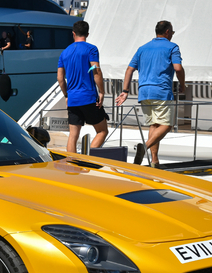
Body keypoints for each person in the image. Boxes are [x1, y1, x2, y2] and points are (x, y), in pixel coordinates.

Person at [115, 20, 186, 167]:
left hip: (144, 92)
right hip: (161, 91)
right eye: (172, 32)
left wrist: (125, 91)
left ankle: (154, 161)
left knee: (154, 125)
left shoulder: (143, 48)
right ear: (167, 32)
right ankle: (144, 147)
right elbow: (178, 68)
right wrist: (183, 85)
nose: (172, 35)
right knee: (167, 125)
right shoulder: (172, 47)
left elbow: (129, 69)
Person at [57, 20, 108, 152]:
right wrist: (102, 92)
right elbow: (96, 70)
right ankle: (88, 158)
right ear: (87, 34)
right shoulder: (91, 49)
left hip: (73, 99)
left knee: (73, 136)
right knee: (102, 131)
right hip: (88, 97)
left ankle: (72, 165)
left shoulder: (64, 53)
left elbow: (60, 78)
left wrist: (66, 95)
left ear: (73, 33)